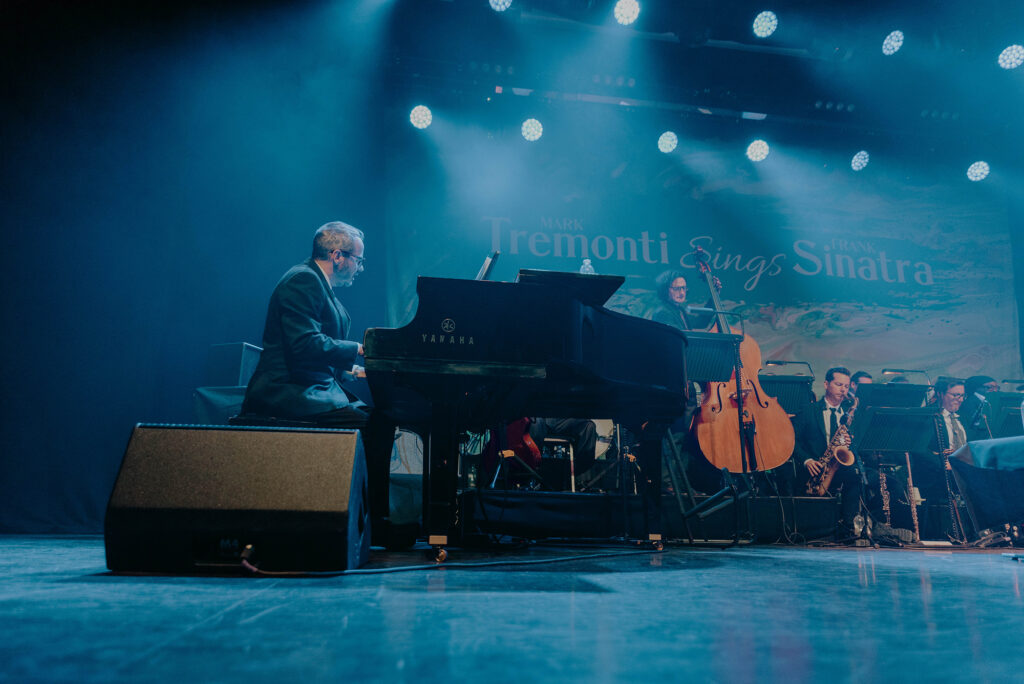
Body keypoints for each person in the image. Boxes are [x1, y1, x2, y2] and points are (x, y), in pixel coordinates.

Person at [241, 221, 404, 546]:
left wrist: (358, 371)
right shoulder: (302, 280)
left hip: (310, 386)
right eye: (358, 259)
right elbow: (304, 344)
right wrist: (360, 349)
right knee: (377, 424)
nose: (360, 267)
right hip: (286, 392)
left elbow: (317, 352)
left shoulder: (316, 283)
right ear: (337, 255)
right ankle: (376, 523)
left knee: (381, 418)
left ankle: (367, 518)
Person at [789, 366, 863, 537]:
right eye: (838, 384)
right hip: (814, 467)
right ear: (826, 384)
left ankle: (849, 526)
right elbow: (791, 441)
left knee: (855, 477)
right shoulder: (809, 411)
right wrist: (807, 460)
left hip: (838, 466)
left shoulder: (850, 414)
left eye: (846, 386)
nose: (843, 390)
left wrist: (851, 443)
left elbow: (856, 445)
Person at [650, 270, 720, 332]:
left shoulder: (679, 310)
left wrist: (714, 296)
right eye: (676, 288)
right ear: (664, 290)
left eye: (684, 288)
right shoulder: (663, 312)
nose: (682, 293)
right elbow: (676, 335)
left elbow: (701, 322)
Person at [960, 375, 998, 441]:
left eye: (996, 387)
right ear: (977, 387)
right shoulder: (969, 402)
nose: (995, 390)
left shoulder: (988, 401)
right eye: (990, 387)